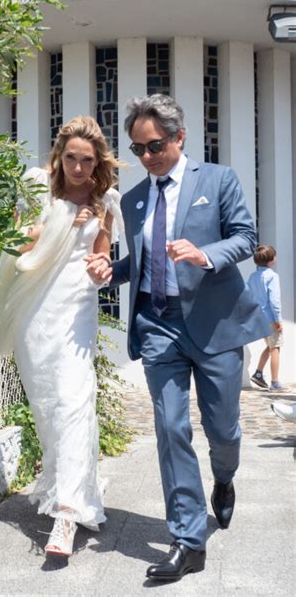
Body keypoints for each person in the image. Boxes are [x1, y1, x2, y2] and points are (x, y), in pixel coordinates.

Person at [86, 94, 269, 581]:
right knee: (170, 429)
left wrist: (203, 253)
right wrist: (112, 270)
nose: (148, 157)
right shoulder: (133, 199)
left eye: (156, 146)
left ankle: (224, 479)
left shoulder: (218, 179)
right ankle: (188, 540)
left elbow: (246, 238)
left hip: (216, 325)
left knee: (223, 429)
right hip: (159, 327)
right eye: (139, 149)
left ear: (179, 137)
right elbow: (141, 263)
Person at [0, 116, 123, 557]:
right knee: (47, 407)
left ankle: (67, 515)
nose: (79, 168)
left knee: (73, 401)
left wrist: (101, 269)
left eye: (87, 161)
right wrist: (65, 226)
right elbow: (17, 244)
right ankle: (69, 485)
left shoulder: (106, 203)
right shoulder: (37, 188)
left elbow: (102, 258)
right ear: (59, 154)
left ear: (98, 161)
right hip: (37, 309)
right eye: (71, 158)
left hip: (77, 310)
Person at [247, 246, 285, 392]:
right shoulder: (272, 276)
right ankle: (275, 382)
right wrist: (278, 320)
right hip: (270, 318)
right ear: (270, 261)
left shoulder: (253, 276)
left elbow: (248, 295)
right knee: (275, 348)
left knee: (270, 346)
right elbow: (274, 301)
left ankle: (258, 373)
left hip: (259, 318)